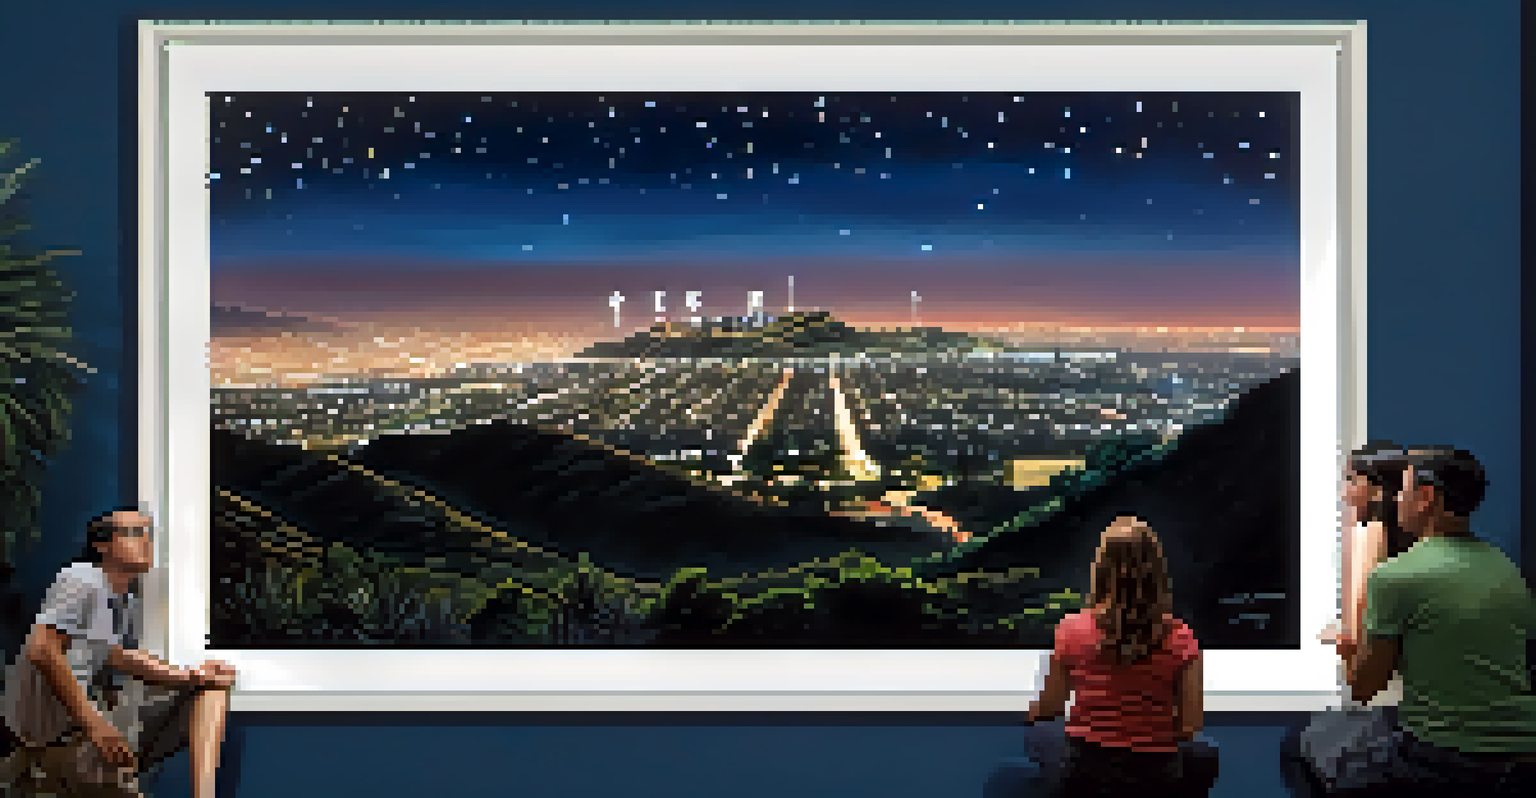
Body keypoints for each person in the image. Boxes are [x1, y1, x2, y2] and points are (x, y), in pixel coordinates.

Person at [1283, 446, 1536, 796]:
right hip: (1523, 757)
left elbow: (1363, 688)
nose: (1396, 499)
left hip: (1439, 759)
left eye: (1402, 489)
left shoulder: (1396, 577)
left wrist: (1346, 647)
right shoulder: (1507, 572)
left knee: (1299, 742)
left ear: (1426, 497)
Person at [1, 507, 237, 797]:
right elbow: (42, 649)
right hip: (54, 738)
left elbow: (117, 656)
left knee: (211, 689)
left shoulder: (122, 599)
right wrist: (96, 725)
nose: (146, 541)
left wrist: (192, 675)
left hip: (84, 730)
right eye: (134, 533)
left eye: (148, 534)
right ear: (102, 545)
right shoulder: (83, 578)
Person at [984, 514, 1219, 797]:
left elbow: (1049, 709)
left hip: (1083, 776)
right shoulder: (1182, 638)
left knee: (1038, 735)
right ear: (1156, 572)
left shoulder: (1072, 629)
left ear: (1102, 570)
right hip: (1155, 779)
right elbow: (1190, 726)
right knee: (1203, 750)